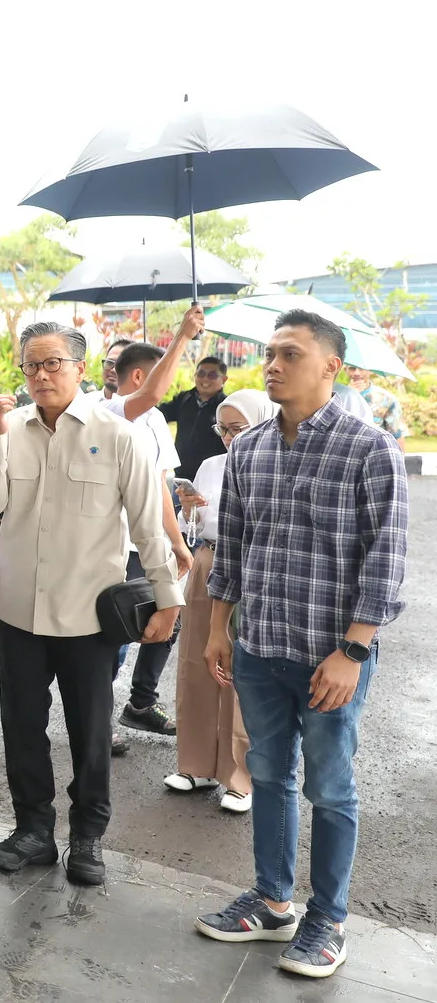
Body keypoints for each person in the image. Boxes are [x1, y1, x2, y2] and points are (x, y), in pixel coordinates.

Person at [196, 309, 407, 980]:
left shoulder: (369, 448)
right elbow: (232, 548)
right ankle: (272, 901)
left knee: (330, 785)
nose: (273, 365)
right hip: (259, 646)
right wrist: (217, 629)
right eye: (270, 353)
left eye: (290, 353)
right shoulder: (250, 449)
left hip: (329, 656)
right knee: (267, 773)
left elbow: (386, 559)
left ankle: (328, 918)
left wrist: (354, 653)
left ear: (330, 366)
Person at [0, 322, 183, 886]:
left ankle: (88, 836)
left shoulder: (118, 435)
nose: (41, 375)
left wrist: (169, 601)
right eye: (31, 365)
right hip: (19, 611)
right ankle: (33, 831)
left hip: (89, 616)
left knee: (90, 733)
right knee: (21, 726)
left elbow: (147, 525)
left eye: (53, 363)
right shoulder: (9, 428)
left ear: (81, 368)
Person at [166, 389, 277, 814]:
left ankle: (240, 778)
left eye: (237, 428)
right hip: (208, 561)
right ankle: (195, 764)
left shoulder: (275, 464)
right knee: (197, 659)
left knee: (242, 668)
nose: (229, 437)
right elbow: (193, 527)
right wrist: (190, 509)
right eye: (223, 429)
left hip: (251, 567)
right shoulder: (212, 465)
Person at [102, 331, 200, 741]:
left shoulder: (155, 420)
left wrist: (177, 543)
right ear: (141, 376)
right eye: (166, 372)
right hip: (115, 545)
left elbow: (159, 482)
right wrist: (184, 334)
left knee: (168, 619)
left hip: (150, 543)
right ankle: (97, 719)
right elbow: (153, 394)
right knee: (116, 635)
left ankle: (140, 702)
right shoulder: (104, 411)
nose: (170, 382)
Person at [159, 355, 228, 479]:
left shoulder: (226, 406)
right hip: (182, 475)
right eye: (201, 374)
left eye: (212, 375)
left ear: (224, 379)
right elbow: (160, 415)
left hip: (212, 477)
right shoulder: (184, 399)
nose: (205, 379)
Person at [346, 365, 408, 450]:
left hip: (375, 452)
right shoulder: (336, 396)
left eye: (362, 368)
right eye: (352, 368)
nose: (357, 373)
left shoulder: (386, 399)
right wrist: (349, 394)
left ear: (370, 370)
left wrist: (400, 457)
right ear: (345, 370)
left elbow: (396, 435)